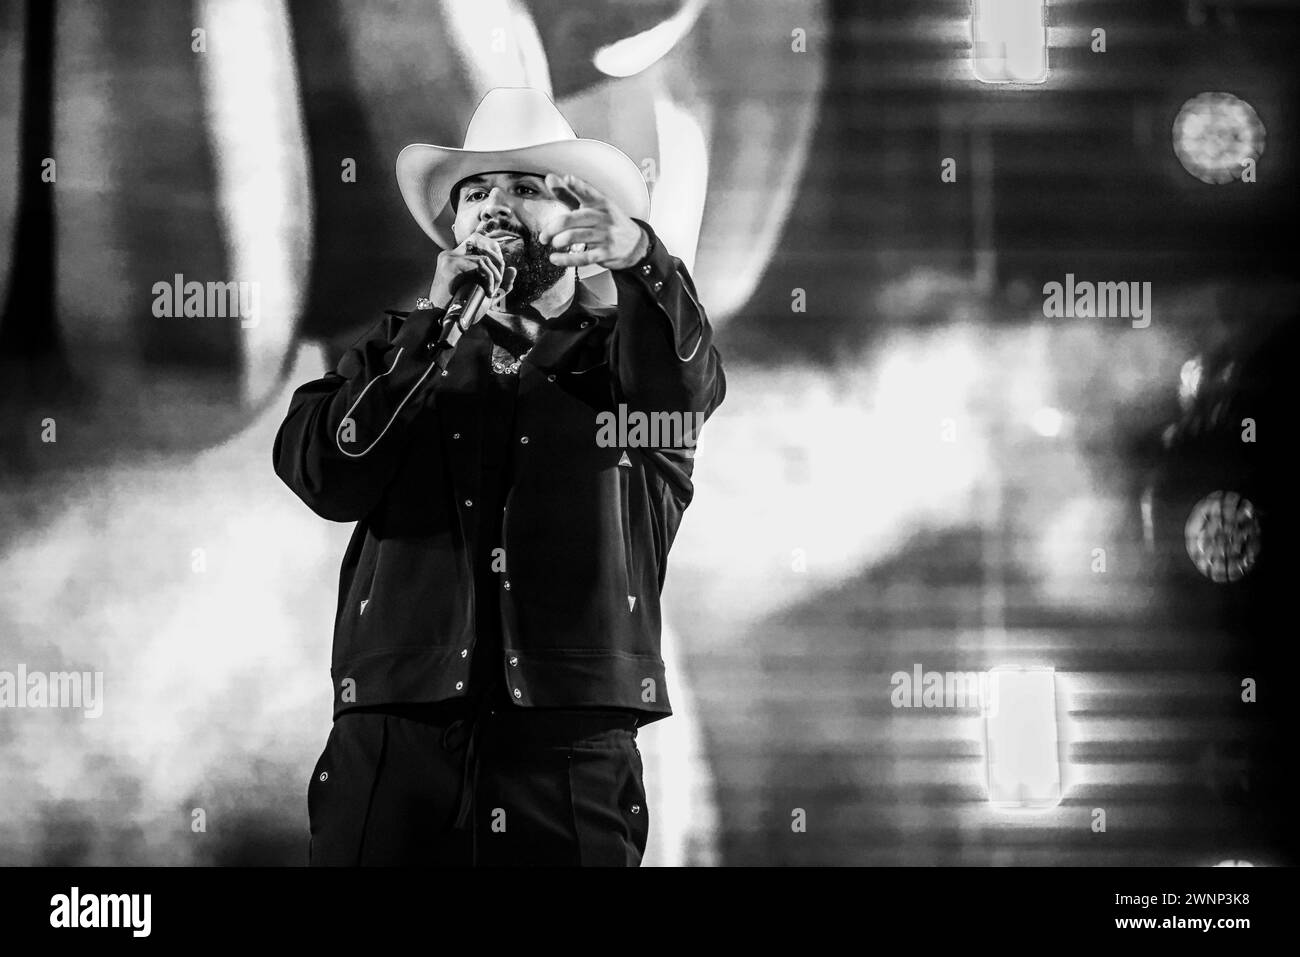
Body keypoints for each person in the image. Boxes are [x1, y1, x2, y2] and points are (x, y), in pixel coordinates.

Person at [272, 87, 726, 865]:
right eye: (475, 192)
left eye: (524, 188)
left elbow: (683, 390)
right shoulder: (390, 357)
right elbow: (327, 473)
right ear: (451, 229)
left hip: (566, 751)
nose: (493, 206)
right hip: (395, 741)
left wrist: (645, 259)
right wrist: (426, 336)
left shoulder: (627, 363)